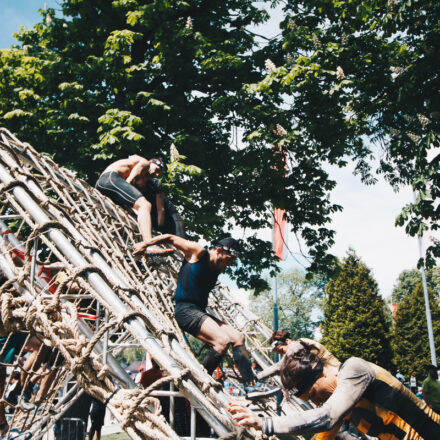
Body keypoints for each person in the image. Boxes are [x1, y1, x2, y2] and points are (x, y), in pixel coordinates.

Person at [133, 234, 277, 398]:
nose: (229, 265)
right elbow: (170, 237)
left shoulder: (217, 268)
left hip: (199, 311)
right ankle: (202, 380)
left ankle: (251, 385)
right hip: (185, 310)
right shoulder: (198, 252)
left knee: (238, 337)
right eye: (228, 260)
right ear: (219, 251)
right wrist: (145, 244)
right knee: (221, 340)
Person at [229, 339, 440, 439]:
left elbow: (326, 416)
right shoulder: (342, 406)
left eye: (313, 394)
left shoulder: (354, 369)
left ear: (319, 374)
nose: (317, 401)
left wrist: (266, 423)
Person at [95, 155, 174, 256]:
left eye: (159, 173)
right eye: (157, 169)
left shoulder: (136, 167)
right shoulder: (145, 162)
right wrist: (128, 187)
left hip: (105, 184)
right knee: (145, 205)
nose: (157, 174)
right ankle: (149, 244)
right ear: (151, 162)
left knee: (136, 210)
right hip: (110, 179)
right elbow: (132, 176)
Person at [257, 330, 339, 381]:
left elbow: (278, 367)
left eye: (282, 350)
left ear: (288, 341)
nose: (283, 354)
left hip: (336, 373)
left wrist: (256, 378)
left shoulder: (297, 345)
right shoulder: (300, 349)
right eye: (280, 353)